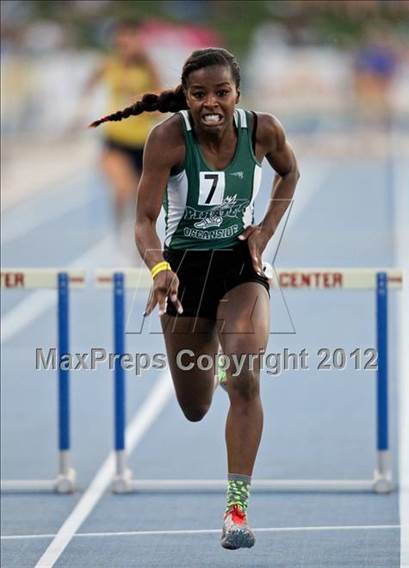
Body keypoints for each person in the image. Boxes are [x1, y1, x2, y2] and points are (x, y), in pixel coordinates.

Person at [91, 47, 299, 550]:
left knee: (247, 375)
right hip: (182, 271)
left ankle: (236, 509)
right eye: (199, 94)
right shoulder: (167, 138)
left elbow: (288, 173)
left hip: (237, 264)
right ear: (185, 97)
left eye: (221, 93)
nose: (211, 103)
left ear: (237, 95)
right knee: (195, 406)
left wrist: (264, 233)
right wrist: (159, 268)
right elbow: (142, 220)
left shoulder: (263, 130)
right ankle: (218, 369)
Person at [85, 19, 160, 233]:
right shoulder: (109, 64)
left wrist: (145, 105)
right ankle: (119, 233)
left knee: (140, 196)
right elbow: (89, 84)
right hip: (115, 138)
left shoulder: (149, 67)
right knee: (122, 189)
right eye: (121, 38)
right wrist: (82, 112)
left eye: (131, 37)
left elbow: (160, 102)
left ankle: (134, 233)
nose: (125, 42)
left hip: (142, 142)